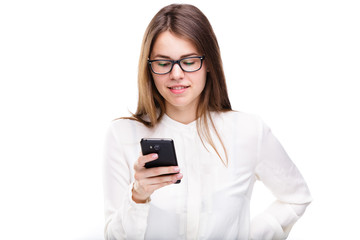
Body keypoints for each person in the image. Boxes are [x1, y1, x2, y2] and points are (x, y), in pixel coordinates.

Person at [103, 3, 312, 240]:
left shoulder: (248, 131)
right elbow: (113, 237)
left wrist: (251, 235)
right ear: (149, 68)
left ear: (209, 63)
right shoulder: (122, 134)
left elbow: (297, 197)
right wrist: (138, 195)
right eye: (163, 63)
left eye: (189, 61)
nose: (176, 74)